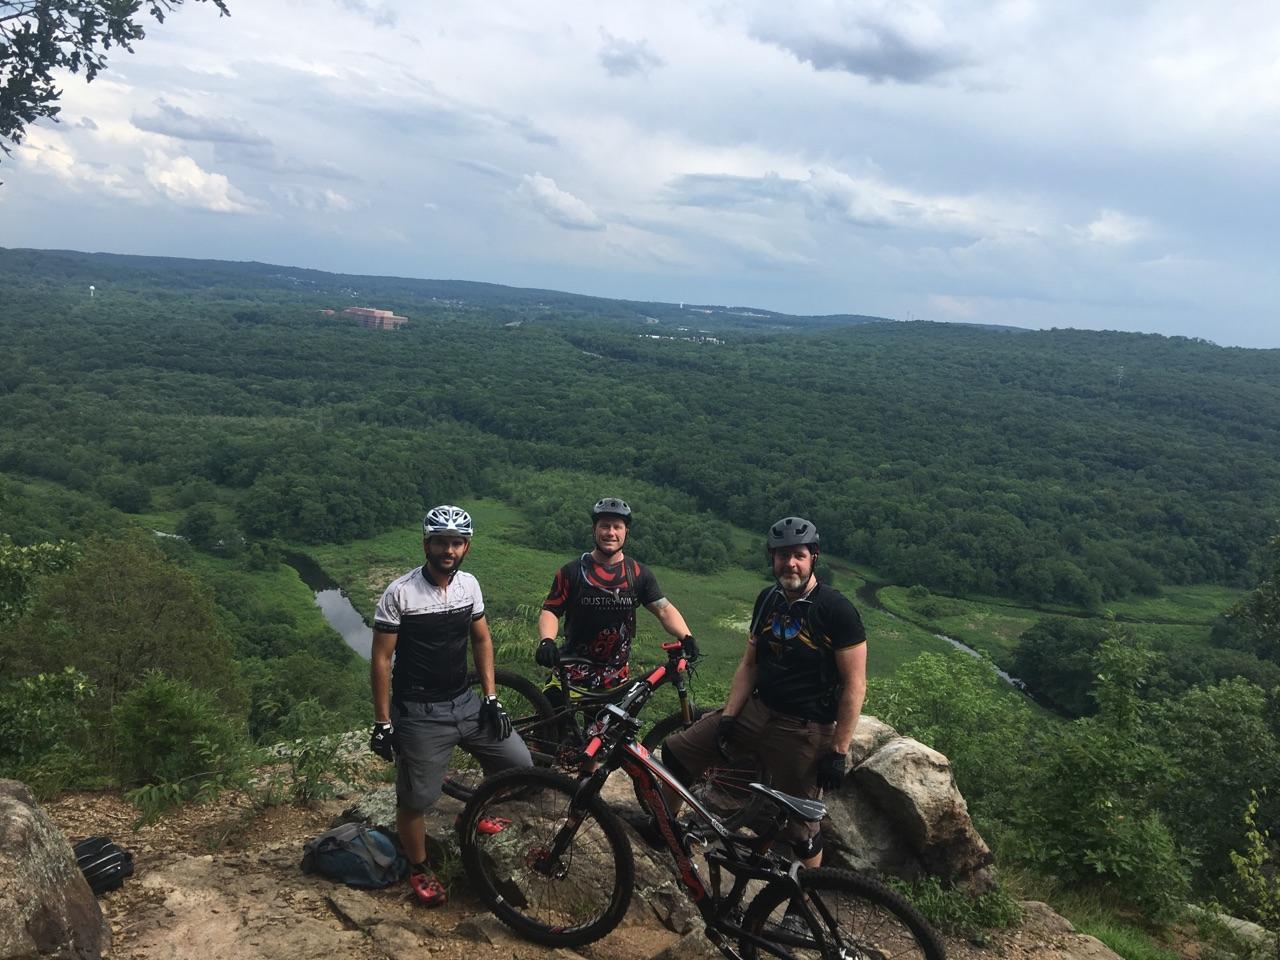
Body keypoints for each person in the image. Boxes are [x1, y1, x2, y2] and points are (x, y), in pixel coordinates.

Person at [661, 515, 867, 869]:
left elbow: (855, 684)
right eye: (782, 555)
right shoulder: (768, 600)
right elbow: (750, 664)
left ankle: (801, 907)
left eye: (798, 555)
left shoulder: (836, 610)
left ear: (813, 557)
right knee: (677, 755)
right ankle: (664, 832)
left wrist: (838, 750)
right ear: (772, 559)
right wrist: (728, 716)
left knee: (803, 830)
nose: (790, 563)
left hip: (804, 729)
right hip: (757, 711)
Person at [368, 504, 532, 907]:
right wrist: (383, 722)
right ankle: (419, 868)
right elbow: (381, 660)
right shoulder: (400, 593)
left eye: (457, 543)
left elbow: (481, 640)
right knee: (415, 800)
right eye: (441, 541)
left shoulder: (469, 586)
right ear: (427, 543)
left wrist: (491, 699)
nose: (449, 550)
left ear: (467, 547)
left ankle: (470, 813)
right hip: (420, 712)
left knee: (519, 766)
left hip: (466, 701)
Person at [536, 497, 699, 700]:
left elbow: (663, 609)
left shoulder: (638, 574)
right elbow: (552, 610)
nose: (610, 532)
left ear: (626, 532)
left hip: (614, 680)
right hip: (570, 672)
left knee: (604, 733)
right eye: (604, 526)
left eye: (617, 527)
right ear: (594, 529)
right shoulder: (572, 572)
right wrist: (547, 641)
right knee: (552, 729)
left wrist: (686, 636)